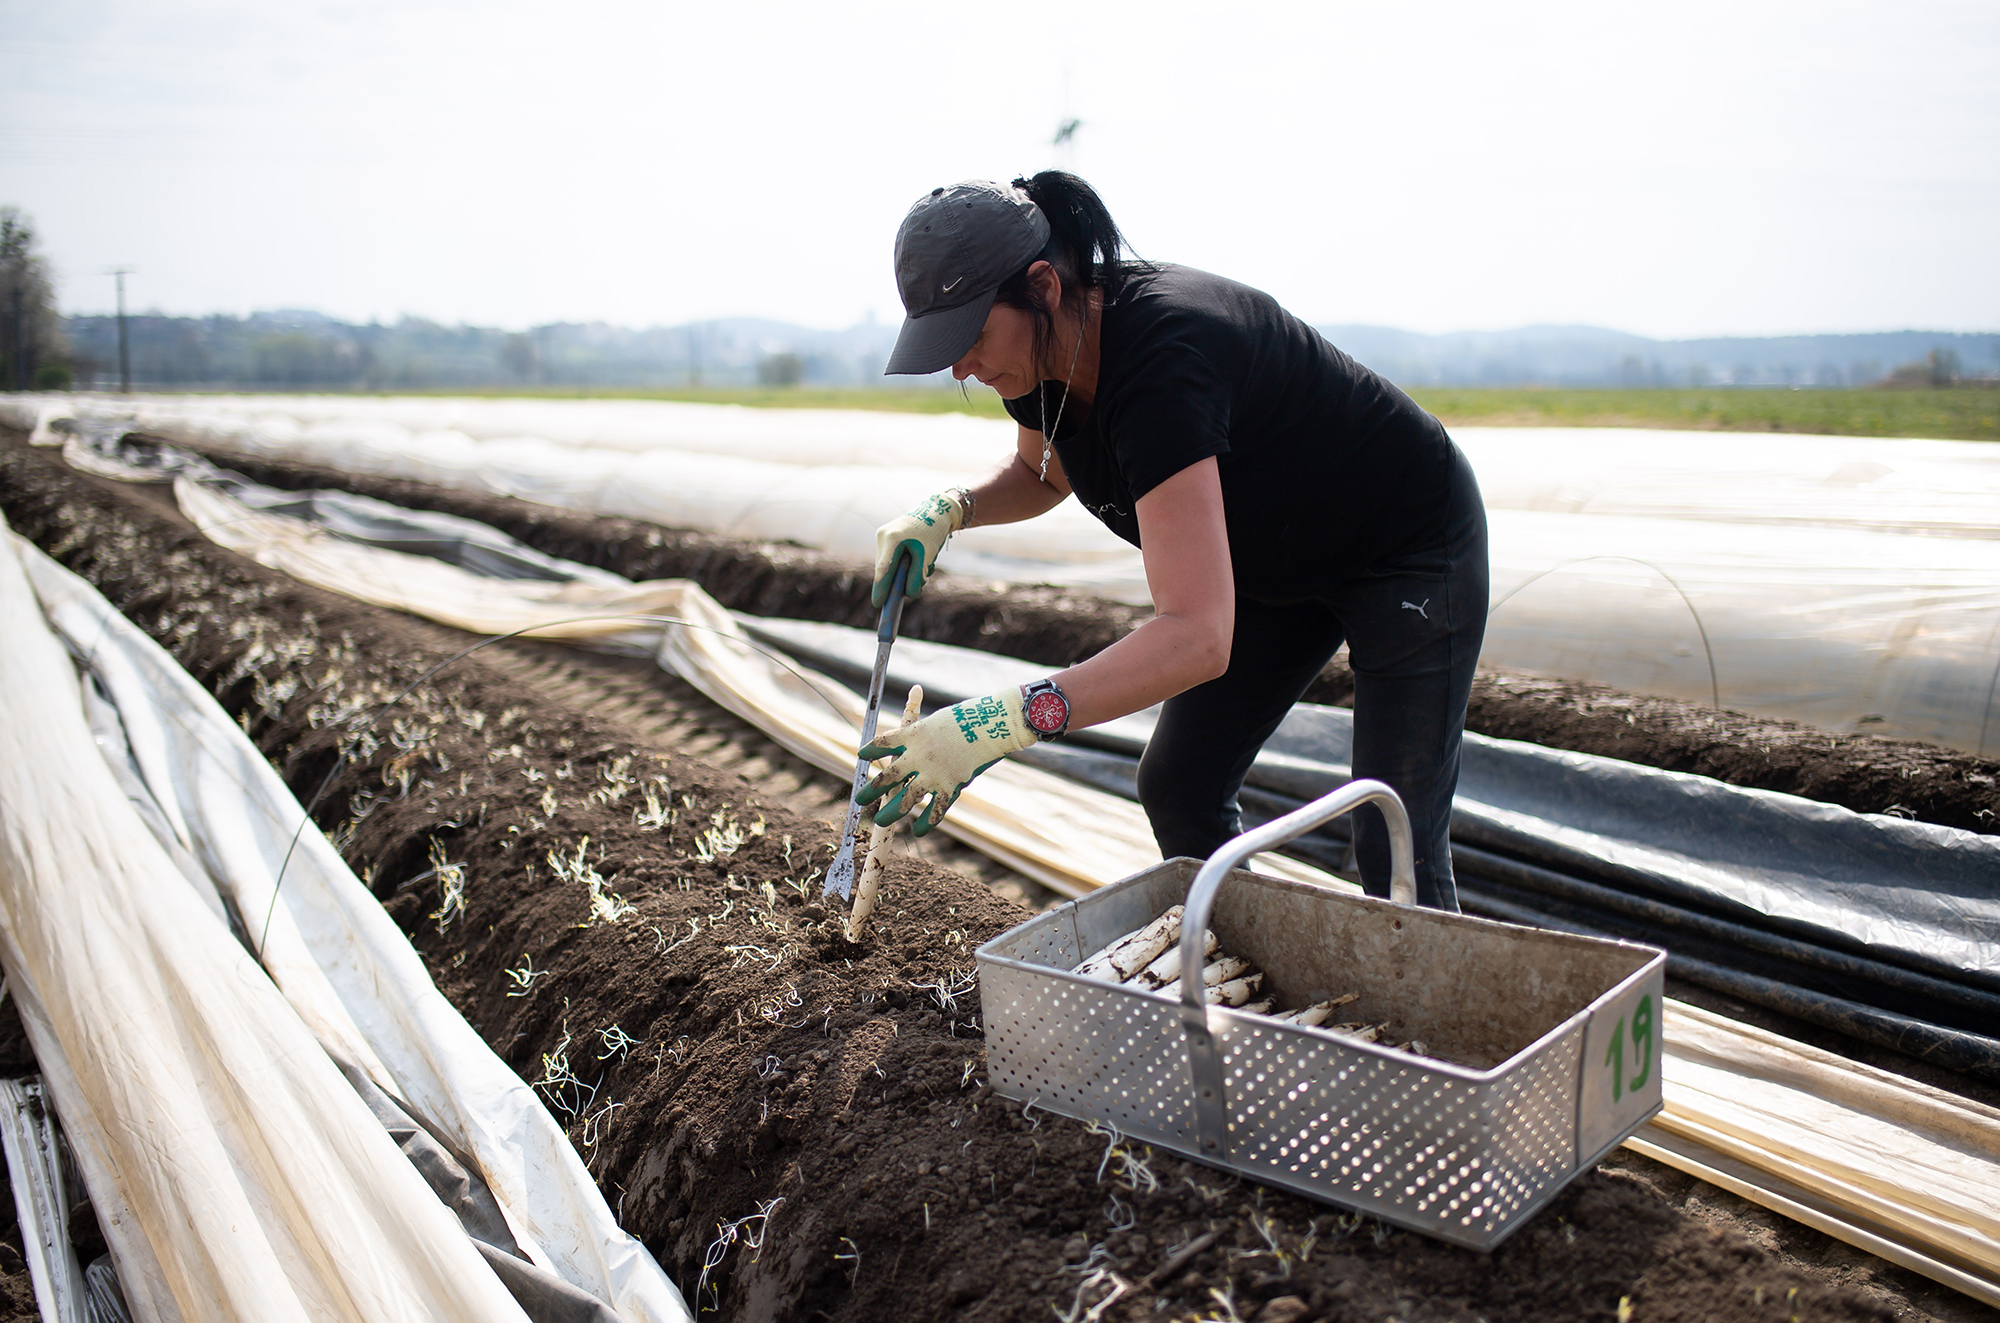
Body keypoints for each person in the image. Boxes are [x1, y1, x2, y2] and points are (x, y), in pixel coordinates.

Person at [854, 172, 1486, 910]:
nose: (961, 365)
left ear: (1044, 287)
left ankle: (1431, 1023)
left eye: (971, 335)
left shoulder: (1164, 366)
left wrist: (999, 722)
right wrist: (951, 508)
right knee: (1180, 784)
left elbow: (1196, 636)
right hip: (1275, 554)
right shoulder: (1037, 358)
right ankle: (1245, 979)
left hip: (1404, 542)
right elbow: (1042, 469)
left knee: (1391, 837)